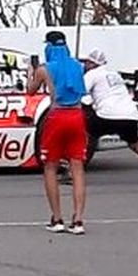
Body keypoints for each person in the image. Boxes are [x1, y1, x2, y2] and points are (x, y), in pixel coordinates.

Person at [79, 49, 138, 184]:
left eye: (86, 62)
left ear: (92, 63)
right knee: (136, 143)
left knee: (86, 136)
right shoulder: (114, 75)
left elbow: (81, 92)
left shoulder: (92, 74)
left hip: (107, 114)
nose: (84, 65)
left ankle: (74, 173)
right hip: (129, 115)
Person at [29, 30, 89, 234]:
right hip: (77, 116)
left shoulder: (45, 69)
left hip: (57, 116)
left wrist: (33, 71)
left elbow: (31, 90)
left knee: (50, 167)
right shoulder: (78, 66)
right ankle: (78, 219)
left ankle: (57, 218)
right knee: (78, 167)